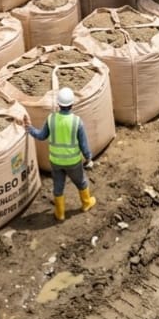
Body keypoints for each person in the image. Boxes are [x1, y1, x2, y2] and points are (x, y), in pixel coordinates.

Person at [21, 86, 96, 221]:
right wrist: (88, 157)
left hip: (55, 161)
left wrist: (30, 129)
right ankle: (86, 203)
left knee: (58, 185)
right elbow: (83, 144)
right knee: (81, 182)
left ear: (58, 104)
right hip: (72, 161)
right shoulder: (76, 122)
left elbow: (41, 136)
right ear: (72, 104)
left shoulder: (51, 119)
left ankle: (60, 213)